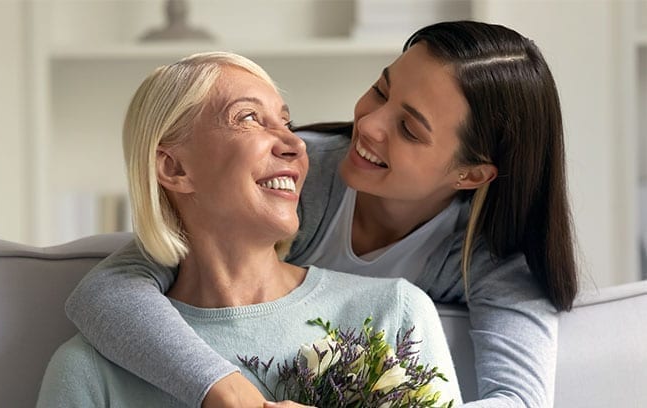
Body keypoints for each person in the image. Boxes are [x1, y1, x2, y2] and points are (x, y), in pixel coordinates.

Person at [65, 21, 578, 407]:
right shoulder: (293, 174)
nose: (370, 124)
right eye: (381, 89)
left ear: (470, 175)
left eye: (410, 129)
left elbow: (520, 401)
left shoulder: (489, 258)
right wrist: (223, 388)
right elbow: (109, 289)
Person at [36, 51, 461, 407]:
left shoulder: (393, 313)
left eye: (287, 123)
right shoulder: (89, 369)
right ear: (174, 167)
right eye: (249, 119)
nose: (295, 144)